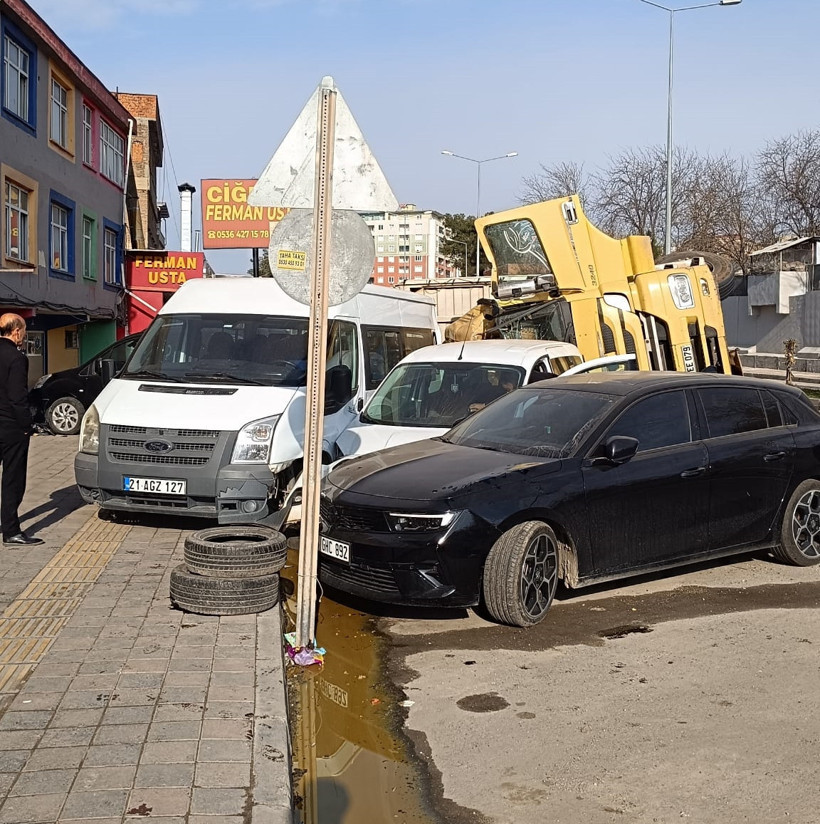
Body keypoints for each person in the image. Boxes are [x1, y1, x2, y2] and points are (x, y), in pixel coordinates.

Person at [0, 314, 42, 546]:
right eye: (24, 330)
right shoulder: (16, 358)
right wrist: (27, 425)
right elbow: (18, 397)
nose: (24, 334)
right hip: (11, 427)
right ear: (16, 331)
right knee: (13, 479)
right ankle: (11, 530)